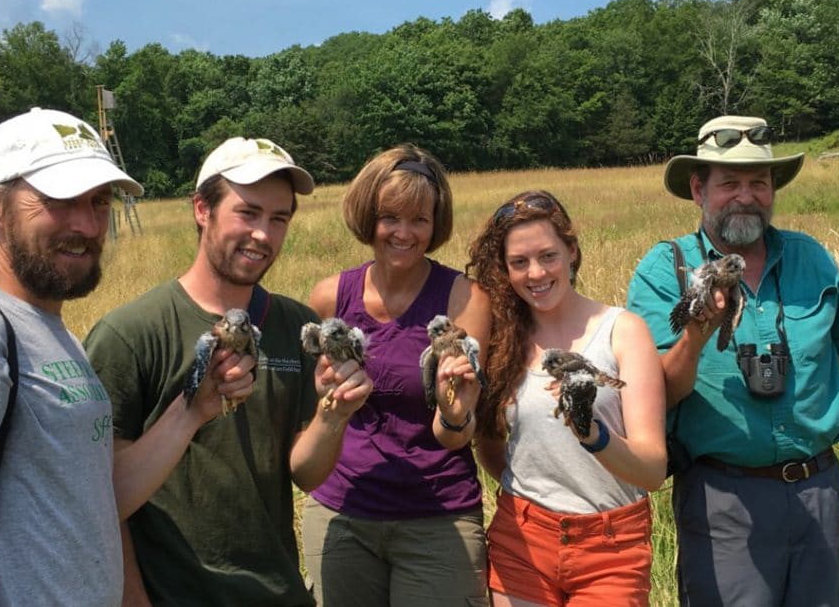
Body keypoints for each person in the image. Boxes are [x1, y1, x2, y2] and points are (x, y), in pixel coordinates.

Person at [83, 137, 373, 606]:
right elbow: (100, 500)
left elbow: (306, 474)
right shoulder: (130, 334)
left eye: (279, 219)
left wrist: (333, 415)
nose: (264, 234)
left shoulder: (296, 327)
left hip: (277, 591)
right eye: (248, 212)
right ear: (202, 209)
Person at [626, 115, 839, 606]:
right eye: (730, 183)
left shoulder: (813, 259)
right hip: (723, 501)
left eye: (759, 182)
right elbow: (660, 390)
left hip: (820, 492)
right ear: (698, 189)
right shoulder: (667, 270)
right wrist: (699, 332)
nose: (746, 195)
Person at [0, 108, 143, 604]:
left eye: (100, 201)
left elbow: (89, 501)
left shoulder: (44, 326)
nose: (87, 224)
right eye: (60, 200)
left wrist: (196, 407)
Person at [300, 144, 491, 607]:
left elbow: (459, 432)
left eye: (419, 220)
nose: (404, 233)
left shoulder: (464, 299)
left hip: (437, 517)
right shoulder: (330, 298)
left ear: (435, 224)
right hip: (341, 513)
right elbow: (310, 414)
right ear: (368, 216)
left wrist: (452, 414)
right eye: (390, 217)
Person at [463, 190, 666, 607]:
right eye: (519, 262)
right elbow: (488, 442)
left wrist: (594, 435)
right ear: (505, 269)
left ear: (571, 251)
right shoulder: (503, 339)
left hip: (612, 546)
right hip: (522, 539)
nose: (536, 273)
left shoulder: (622, 331)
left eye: (548, 256)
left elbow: (652, 470)